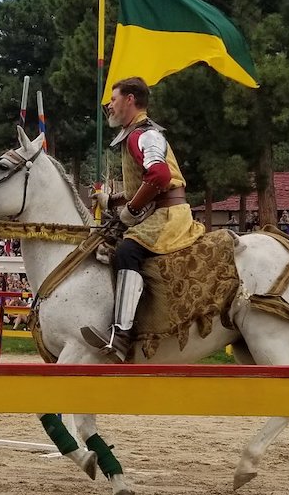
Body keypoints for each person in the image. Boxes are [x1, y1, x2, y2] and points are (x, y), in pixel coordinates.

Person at [81, 76, 205, 360]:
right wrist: (112, 201)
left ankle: (122, 334)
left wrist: (131, 210)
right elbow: (144, 186)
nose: (109, 106)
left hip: (168, 215)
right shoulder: (133, 135)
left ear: (130, 100)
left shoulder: (144, 134)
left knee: (127, 250)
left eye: (113, 100)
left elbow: (160, 177)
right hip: (154, 211)